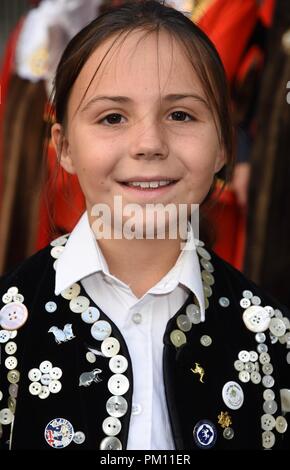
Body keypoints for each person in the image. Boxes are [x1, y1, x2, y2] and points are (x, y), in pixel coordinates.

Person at [0, 0, 289, 451]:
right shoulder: (6, 329)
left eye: (181, 115)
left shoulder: (273, 340)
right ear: (64, 146)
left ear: (223, 146)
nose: (149, 144)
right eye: (112, 117)